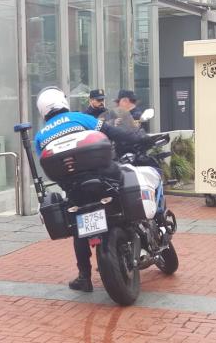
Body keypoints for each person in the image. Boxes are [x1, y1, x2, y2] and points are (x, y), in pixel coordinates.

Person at [33, 86, 154, 293]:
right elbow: (112, 132)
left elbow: (46, 162)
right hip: (103, 176)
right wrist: (138, 138)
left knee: (80, 227)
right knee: (125, 180)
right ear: (63, 102)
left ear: (42, 110)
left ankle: (84, 277)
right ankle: (140, 232)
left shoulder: (39, 136)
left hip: (74, 188)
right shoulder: (80, 117)